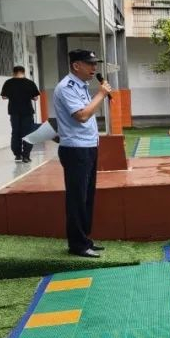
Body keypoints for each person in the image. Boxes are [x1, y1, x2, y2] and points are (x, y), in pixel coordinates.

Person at [52, 50, 111, 258]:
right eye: (89, 64)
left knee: (87, 197)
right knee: (77, 198)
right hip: (75, 149)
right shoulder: (66, 87)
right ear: (76, 66)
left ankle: (85, 239)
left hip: (87, 146)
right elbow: (82, 116)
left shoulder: (81, 86)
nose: (94, 68)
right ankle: (77, 244)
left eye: (95, 64)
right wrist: (101, 95)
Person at [1, 65, 40, 163]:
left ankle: (17, 155)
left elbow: (4, 97)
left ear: (13, 73)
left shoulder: (8, 83)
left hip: (14, 111)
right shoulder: (30, 83)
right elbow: (35, 98)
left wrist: (13, 95)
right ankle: (26, 156)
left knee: (15, 132)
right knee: (28, 133)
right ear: (24, 72)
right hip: (27, 111)